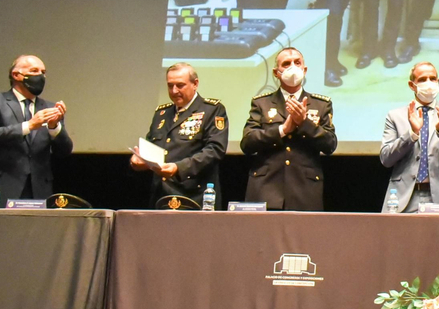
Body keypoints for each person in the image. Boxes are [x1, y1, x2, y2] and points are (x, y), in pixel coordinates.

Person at [0, 55, 71, 206]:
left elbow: (64, 151)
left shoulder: (50, 109)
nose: (41, 76)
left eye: (43, 72)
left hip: (37, 192)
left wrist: (54, 127)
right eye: (34, 71)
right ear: (16, 75)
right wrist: (29, 125)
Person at [240, 47, 338, 209]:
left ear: (304, 70)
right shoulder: (261, 103)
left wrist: (305, 123)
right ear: (276, 73)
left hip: (305, 190)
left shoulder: (321, 104)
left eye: (297, 62)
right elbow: (247, 143)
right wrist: (282, 130)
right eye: (286, 64)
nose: (293, 67)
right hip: (266, 188)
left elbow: (330, 145)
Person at [131, 62, 230, 207]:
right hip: (161, 197)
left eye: (180, 85)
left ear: (195, 84)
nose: (174, 90)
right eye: (170, 86)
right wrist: (138, 160)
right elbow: (151, 146)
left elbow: (215, 150)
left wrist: (178, 168)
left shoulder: (212, 110)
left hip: (195, 197)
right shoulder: (162, 113)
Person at [379, 62, 439, 212]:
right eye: (422, 79)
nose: (429, 83)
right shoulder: (395, 116)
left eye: (432, 79)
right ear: (412, 85)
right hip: (401, 198)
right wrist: (411, 134)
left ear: (438, 82)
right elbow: (386, 159)